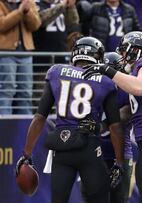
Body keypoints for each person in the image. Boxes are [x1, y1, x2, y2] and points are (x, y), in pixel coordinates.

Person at [15, 37, 125, 203]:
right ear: (98, 57)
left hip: (62, 148)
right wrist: (120, 162)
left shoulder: (56, 71)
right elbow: (115, 127)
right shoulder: (105, 81)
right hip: (89, 149)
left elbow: (39, 118)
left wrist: (26, 154)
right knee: (100, 198)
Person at [82, 31, 142, 203]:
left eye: (123, 51)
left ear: (134, 49)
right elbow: (127, 112)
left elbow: (141, 87)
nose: (121, 56)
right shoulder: (137, 71)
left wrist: (107, 70)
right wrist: (101, 126)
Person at [81, 52, 133, 203]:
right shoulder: (92, 88)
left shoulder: (126, 91)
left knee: (118, 199)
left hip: (120, 156)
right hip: (94, 154)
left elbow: (123, 115)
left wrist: (99, 125)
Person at [0, 0, 41, 115]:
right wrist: (20, 12)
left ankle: (25, 128)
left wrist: (27, 11)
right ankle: (4, 126)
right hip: (5, 54)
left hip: (26, 54)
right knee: (7, 91)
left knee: (26, 92)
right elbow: (2, 25)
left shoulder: (28, 2)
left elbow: (36, 25)